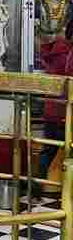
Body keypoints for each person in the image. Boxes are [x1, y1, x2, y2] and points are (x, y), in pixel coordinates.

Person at [40, 19, 73, 184]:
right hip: (65, 110)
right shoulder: (68, 55)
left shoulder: (55, 52)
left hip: (52, 109)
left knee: (48, 149)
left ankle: (36, 184)